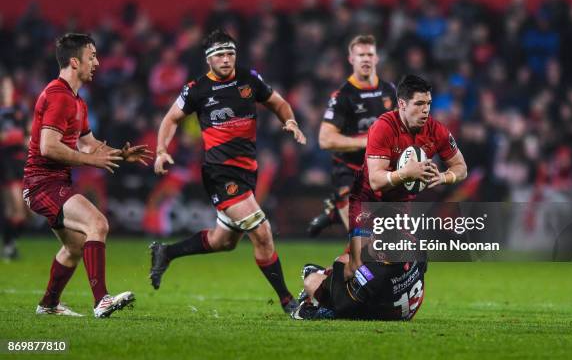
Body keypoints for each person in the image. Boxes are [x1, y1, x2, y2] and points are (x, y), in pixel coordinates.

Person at [150, 29, 307, 313]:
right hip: (220, 174)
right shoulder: (196, 89)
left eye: (230, 53)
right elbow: (171, 118)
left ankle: (166, 252)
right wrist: (162, 151)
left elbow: (279, 103)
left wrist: (291, 122)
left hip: (248, 172)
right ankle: (288, 302)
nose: (226, 59)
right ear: (208, 60)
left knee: (223, 242)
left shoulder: (249, 79)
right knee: (261, 231)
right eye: (220, 55)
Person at [292, 74, 468, 320]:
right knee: (357, 267)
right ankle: (321, 296)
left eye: (428, 103)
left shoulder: (436, 130)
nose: (425, 110)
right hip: (367, 202)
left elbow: (461, 167)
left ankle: (321, 277)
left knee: (389, 263)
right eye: (419, 104)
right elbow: (375, 180)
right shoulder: (383, 127)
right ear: (402, 104)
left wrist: (444, 177)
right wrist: (406, 172)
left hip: (398, 207)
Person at [23, 33, 152, 317]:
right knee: (98, 223)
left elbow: (88, 143)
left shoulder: (76, 100)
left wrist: (120, 154)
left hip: (53, 182)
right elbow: (48, 147)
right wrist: (89, 161)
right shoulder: (59, 97)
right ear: (74, 61)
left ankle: (48, 305)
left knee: (75, 247)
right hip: (41, 184)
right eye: (91, 56)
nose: (97, 62)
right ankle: (101, 300)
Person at [308, 34, 396, 237]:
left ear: (376, 58)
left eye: (369, 54)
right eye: (360, 55)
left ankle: (334, 216)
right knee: (363, 242)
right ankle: (338, 209)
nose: (365, 59)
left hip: (379, 173)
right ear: (351, 59)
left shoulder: (389, 90)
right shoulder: (343, 96)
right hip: (349, 174)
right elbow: (325, 139)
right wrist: (367, 141)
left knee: (380, 246)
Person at [0, 76, 28, 260]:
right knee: (15, 207)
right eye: (2, 87)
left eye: (7, 87)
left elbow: (28, 135)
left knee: (17, 211)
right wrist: (17, 137)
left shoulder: (19, 110)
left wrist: (19, 137)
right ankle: (9, 246)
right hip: (5, 162)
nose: (5, 90)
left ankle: (9, 246)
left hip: (20, 161)